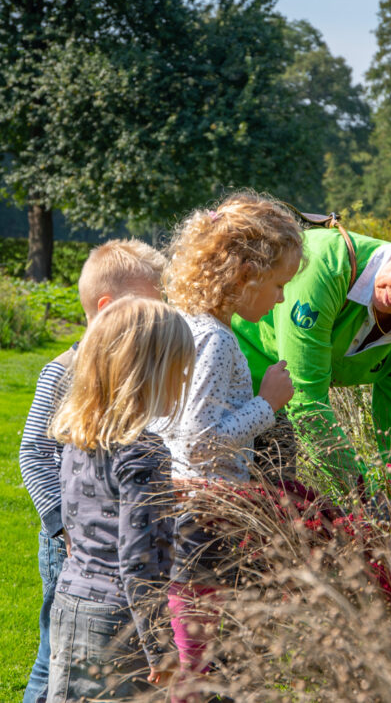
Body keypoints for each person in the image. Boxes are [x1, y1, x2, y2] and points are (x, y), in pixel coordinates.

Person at [232, 223, 391, 502]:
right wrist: (367, 492)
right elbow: (306, 400)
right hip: (229, 381)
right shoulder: (327, 266)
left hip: (277, 405)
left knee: (273, 509)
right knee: (227, 512)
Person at [160, 192, 303, 691]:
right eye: (279, 284)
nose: (282, 298)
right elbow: (199, 443)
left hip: (183, 507)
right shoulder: (217, 340)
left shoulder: (186, 327)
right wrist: (268, 403)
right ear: (245, 273)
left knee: (197, 652)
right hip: (207, 512)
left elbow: (167, 426)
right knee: (204, 660)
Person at [19, 239, 166, 703]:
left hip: (108, 542)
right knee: (54, 654)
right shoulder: (64, 370)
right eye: (148, 306)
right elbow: (34, 453)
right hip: (72, 541)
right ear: (107, 308)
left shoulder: (130, 370)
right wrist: (62, 525)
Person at [46, 297, 195, 701]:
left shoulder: (79, 439)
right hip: (120, 623)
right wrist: (161, 648)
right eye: (179, 369)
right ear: (148, 374)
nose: (183, 380)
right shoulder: (145, 452)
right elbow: (138, 564)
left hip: (70, 601)